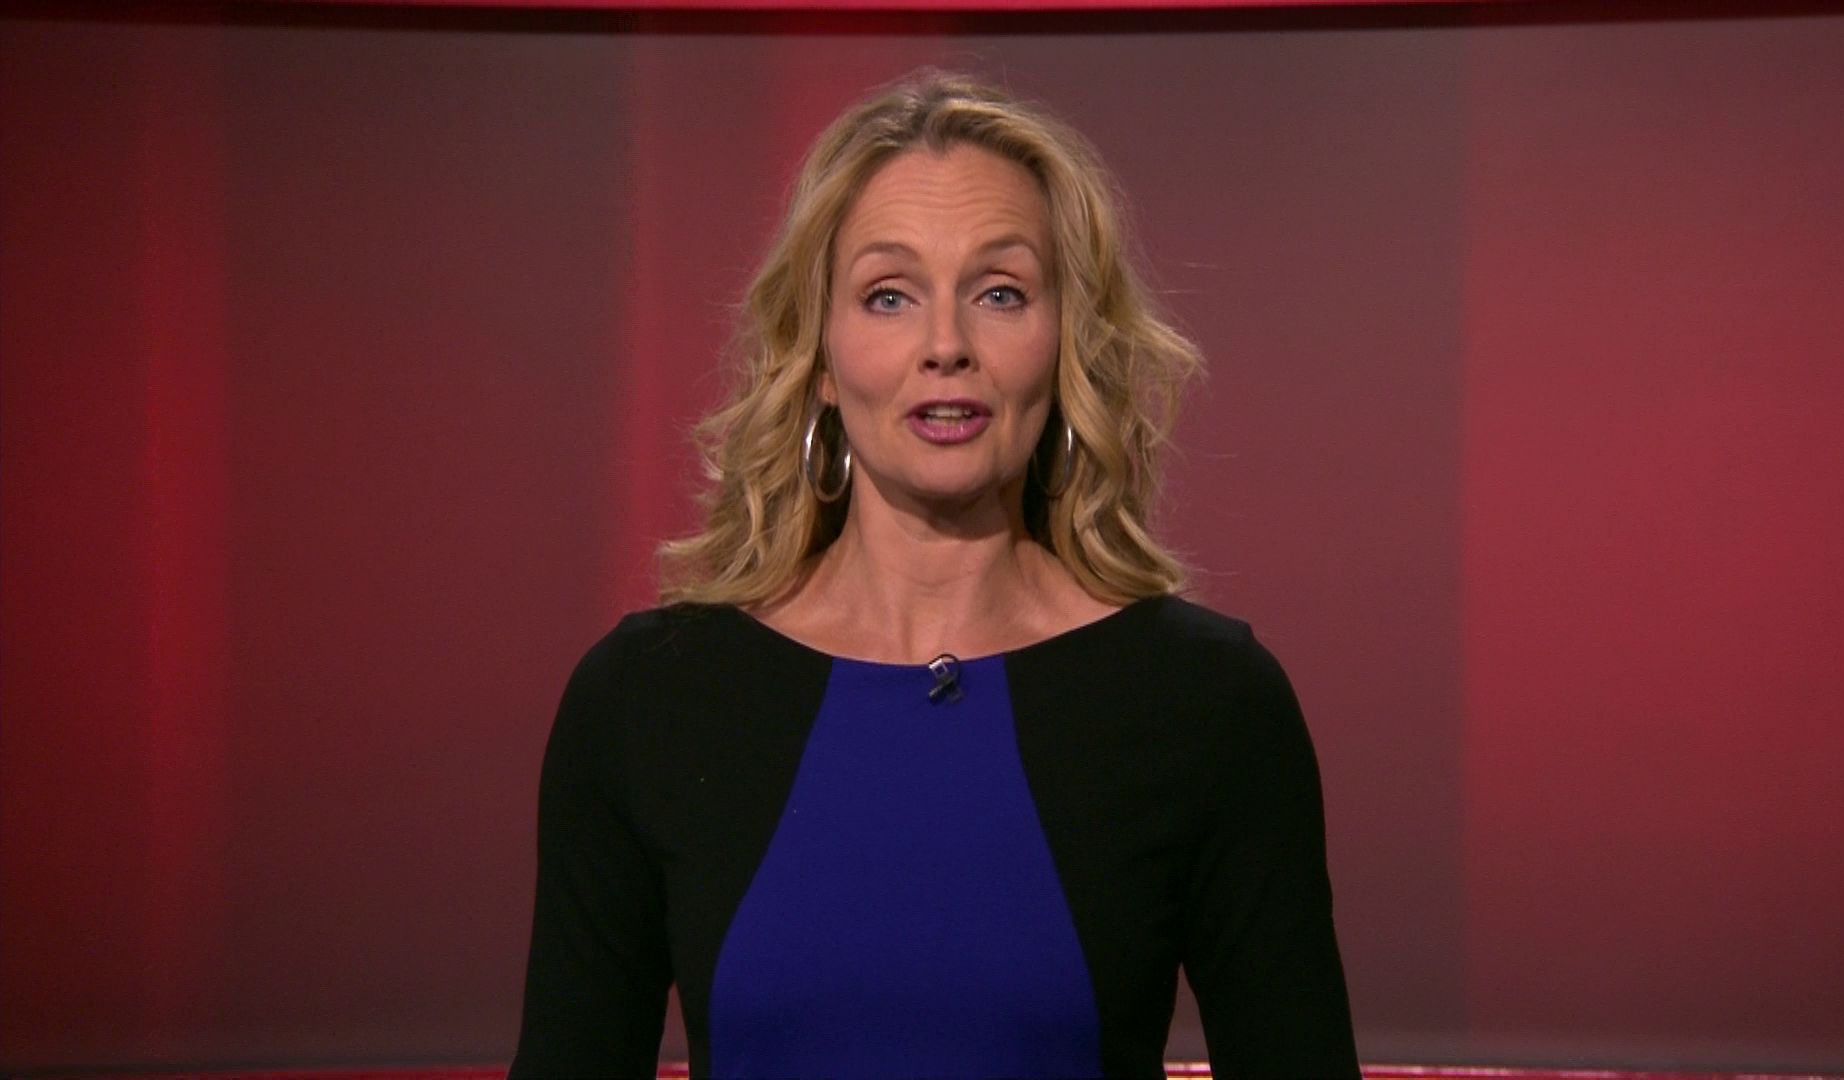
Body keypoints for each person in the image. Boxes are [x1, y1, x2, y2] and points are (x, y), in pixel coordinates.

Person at [509, 71, 1359, 1079]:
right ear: (821, 356)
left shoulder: (1210, 704)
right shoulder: (646, 699)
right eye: (889, 296)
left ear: (1066, 343)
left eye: (1000, 293)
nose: (946, 346)